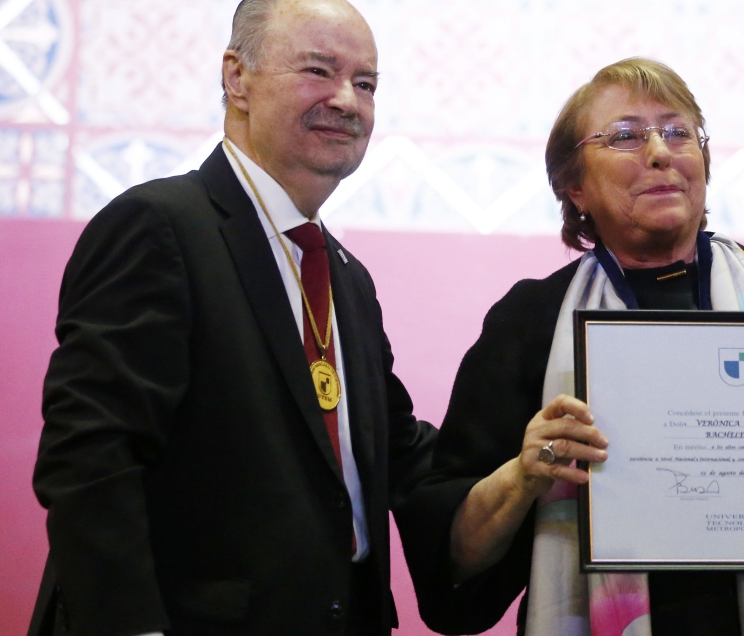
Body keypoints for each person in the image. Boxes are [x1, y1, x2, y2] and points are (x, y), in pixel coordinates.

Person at [396, 58, 744, 636]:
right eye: (624, 136)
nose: (659, 153)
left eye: (678, 133)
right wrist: (524, 476)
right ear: (574, 186)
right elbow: (453, 561)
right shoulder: (531, 321)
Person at [26, 1, 437, 634]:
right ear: (236, 78)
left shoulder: (347, 279)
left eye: (365, 83)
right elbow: (91, 460)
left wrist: (526, 466)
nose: (347, 101)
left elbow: (395, 454)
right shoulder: (160, 226)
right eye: (319, 70)